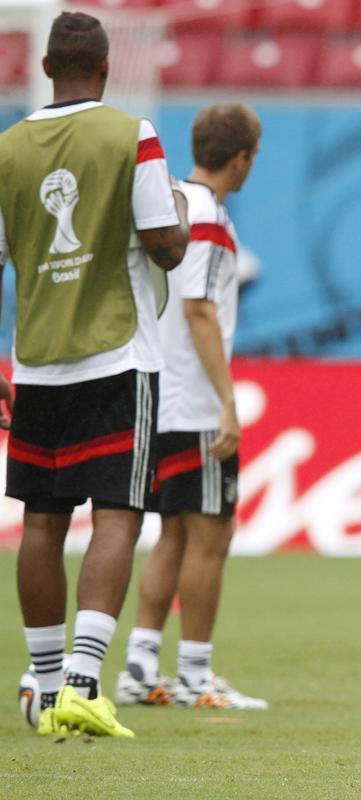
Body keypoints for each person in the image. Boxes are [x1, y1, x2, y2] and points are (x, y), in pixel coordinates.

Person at [0, 11, 188, 737]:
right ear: (107, 70)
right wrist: (174, 203)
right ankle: (83, 679)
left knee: (42, 522)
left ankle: (46, 692)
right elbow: (165, 248)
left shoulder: (8, 150)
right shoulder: (131, 133)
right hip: (117, 357)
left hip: (39, 361)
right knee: (117, 515)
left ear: (45, 69)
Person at [115, 103, 267, 711]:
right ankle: (197, 677)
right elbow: (198, 308)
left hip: (161, 394)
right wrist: (227, 403)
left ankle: (139, 666)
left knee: (173, 536)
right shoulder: (206, 216)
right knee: (211, 536)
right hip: (194, 403)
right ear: (242, 158)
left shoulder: (175, 203)